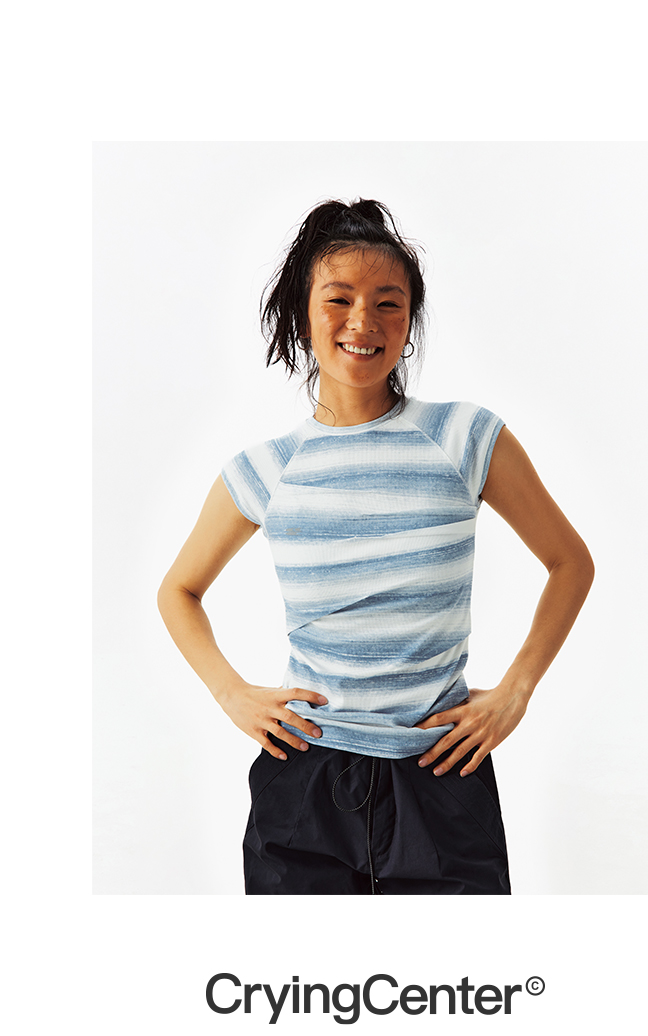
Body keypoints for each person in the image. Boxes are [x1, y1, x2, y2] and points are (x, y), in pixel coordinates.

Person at [157, 198, 594, 895]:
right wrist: (231, 693)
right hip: (304, 782)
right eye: (339, 299)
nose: (364, 321)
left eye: (389, 304)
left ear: (409, 324)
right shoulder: (265, 470)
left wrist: (517, 690)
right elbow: (178, 591)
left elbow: (570, 562)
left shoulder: (464, 439)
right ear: (303, 315)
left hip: (442, 775)